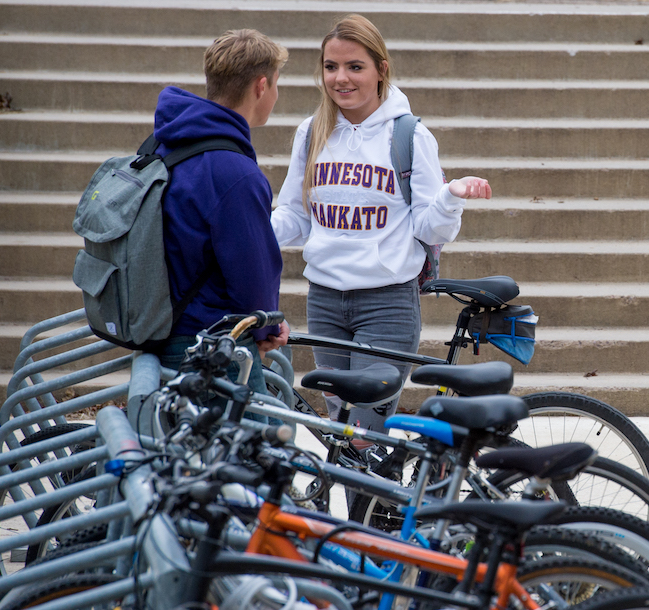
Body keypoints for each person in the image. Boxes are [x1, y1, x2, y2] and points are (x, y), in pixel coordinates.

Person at [272, 14, 492, 432]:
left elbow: (430, 229)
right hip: (324, 300)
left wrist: (450, 197)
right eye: (330, 66)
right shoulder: (311, 132)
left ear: (380, 71)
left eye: (355, 67)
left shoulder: (408, 136)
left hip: (386, 304)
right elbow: (297, 218)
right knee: (339, 429)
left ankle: (391, 497)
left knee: (363, 436)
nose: (341, 78)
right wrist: (248, 231)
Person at [155, 29, 291, 395]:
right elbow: (252, 270)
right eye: (277, 85)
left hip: (162, 328)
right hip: (212, 343)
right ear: (261, 86)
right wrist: (265, 327)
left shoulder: (169, 142)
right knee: (264, 443)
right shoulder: (235, 173)